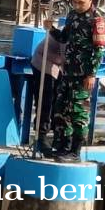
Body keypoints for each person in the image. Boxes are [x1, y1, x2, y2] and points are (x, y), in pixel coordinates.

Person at [51, 0, 105, 162]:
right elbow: (64, 38)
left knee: (79, 113)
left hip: (83, 75)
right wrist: (51, 29)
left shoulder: (96, 20)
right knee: (62, 109)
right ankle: (62, 146)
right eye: (74, 2)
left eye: (81, 2)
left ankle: (75, 151)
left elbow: (99, 50)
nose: (77, 6)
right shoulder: (72, 15)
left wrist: (91, 74)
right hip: (68, 71)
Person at [31, 26, 67, 157]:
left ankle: (58, 135)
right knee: (46, 99)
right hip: (43, 59)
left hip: (57, 64)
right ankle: (41, 136)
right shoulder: (69, 31)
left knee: (60, 99)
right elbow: (66, 58)